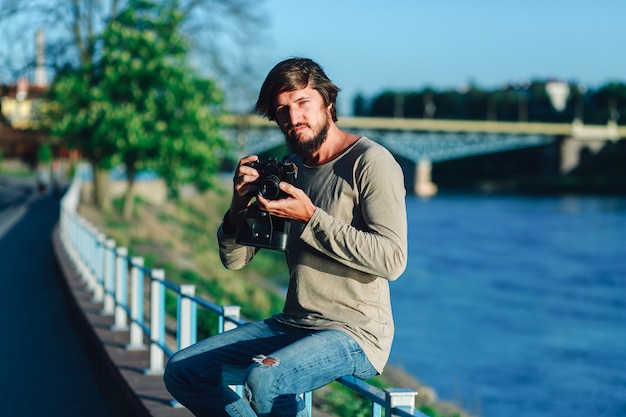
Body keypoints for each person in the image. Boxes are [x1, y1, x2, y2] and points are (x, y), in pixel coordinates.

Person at [163, 57, 408, 417]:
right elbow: (234, 261)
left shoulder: (371, 161)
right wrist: (238, 206)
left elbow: (392, 260)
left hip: (355, 332)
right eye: (282, 110)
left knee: (264, 381)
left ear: (328, 101)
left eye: (302, 103)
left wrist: (310, 218)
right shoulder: (289, 170)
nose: (293, 118)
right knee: (183, 371)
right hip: (294, 323)